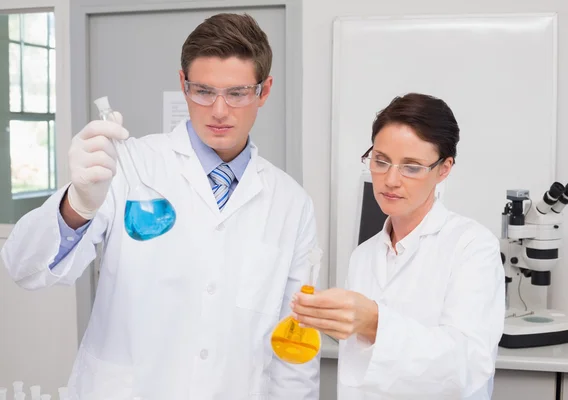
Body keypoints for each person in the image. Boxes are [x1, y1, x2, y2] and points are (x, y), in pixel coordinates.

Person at [1, 13, 320, 400]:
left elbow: (295, 340)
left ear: (264, 91)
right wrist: (78, 205)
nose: (220, 111)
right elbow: (24, 269)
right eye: (204, 91)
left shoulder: (291, 203)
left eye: (237, 93)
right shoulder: (128, 166)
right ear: (183, 85)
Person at [292, 93, 505, 399]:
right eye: (381, 161)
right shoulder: (363, 256)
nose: (390, 180)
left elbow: (469, 369)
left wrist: (376, 323)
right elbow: (355, 378)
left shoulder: (472, 248)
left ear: (444, 169)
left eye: (412, 167)